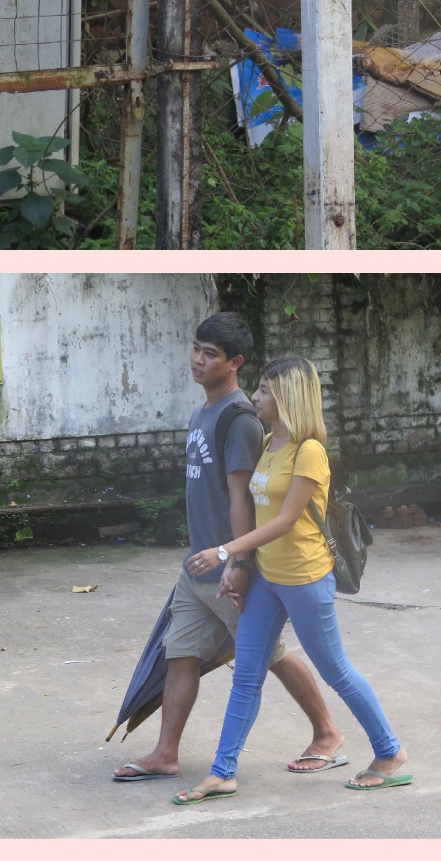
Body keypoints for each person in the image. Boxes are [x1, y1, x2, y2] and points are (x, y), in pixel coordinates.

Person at [111, 313, 343, 783]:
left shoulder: (239, 419)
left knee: (270, 654)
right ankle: (165, 753)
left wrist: (236, 562)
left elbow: (244, 500)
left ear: (234, 362)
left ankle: (327, 733)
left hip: (226, 565)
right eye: (196, 348)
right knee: (179, 655)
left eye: (210, 353)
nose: (198, 359)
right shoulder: (204, 411)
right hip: (197, 565)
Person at [175, 355, 408, 802]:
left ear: (287, 398)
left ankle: (390, 753)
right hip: (266, 577)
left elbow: (284, 521)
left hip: (304, 578)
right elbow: (257, 510)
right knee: (246, 675)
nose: (255, 397)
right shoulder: (269, 443)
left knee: (336, 671)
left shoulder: (310, 451)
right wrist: (239, 568)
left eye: (263, 390)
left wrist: (226, 550)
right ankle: (223, 771)